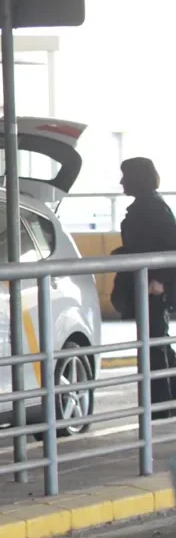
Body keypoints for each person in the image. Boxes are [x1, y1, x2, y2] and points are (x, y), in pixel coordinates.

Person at [113, 157, 176, 408]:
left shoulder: (151, 208)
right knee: (154, 341)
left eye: (125, 176)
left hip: (152, 286)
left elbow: (169, 247)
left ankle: (160, 404)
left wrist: (161, 282)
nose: (121, 182)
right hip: (147, 284)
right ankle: (162, 402)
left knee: (153, 343)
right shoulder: (149, 206)